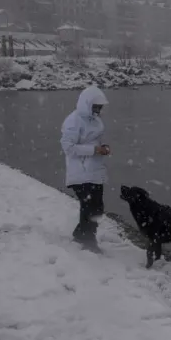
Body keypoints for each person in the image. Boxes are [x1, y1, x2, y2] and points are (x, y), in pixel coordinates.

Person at [61, 85, 111, 251]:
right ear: (87, 104)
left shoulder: (96, 120)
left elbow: (93, 141)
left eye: (100, 107)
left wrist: (102, 147)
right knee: (89, 206)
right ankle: (88, 240)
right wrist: (94, 150)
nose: (98, 110)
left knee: (97, 207)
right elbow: (68, 147)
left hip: (95, 171)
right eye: (96, 106)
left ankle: (82, 234)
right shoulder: (73, 121)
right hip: (80, 172)